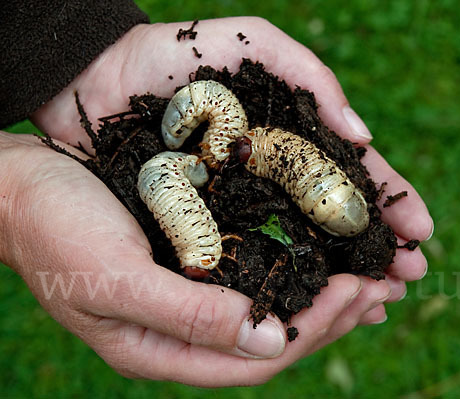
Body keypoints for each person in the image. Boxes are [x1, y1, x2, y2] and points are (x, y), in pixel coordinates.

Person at [0, 1, 433, 387]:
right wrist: (12, 196)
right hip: (186, 166)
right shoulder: (205, 162)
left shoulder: (242, 142)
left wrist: (66, 37)